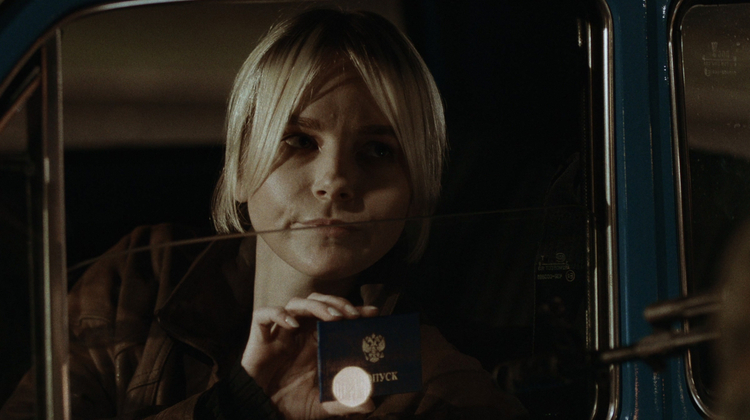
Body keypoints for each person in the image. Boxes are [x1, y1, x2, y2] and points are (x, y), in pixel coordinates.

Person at [1, 8, 528, 420]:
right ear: (238, 167)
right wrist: (239, 405)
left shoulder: (435, 371)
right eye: (298, 141)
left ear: (417, 189)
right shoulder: (141, 279)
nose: (334, 180)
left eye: (377, 151)